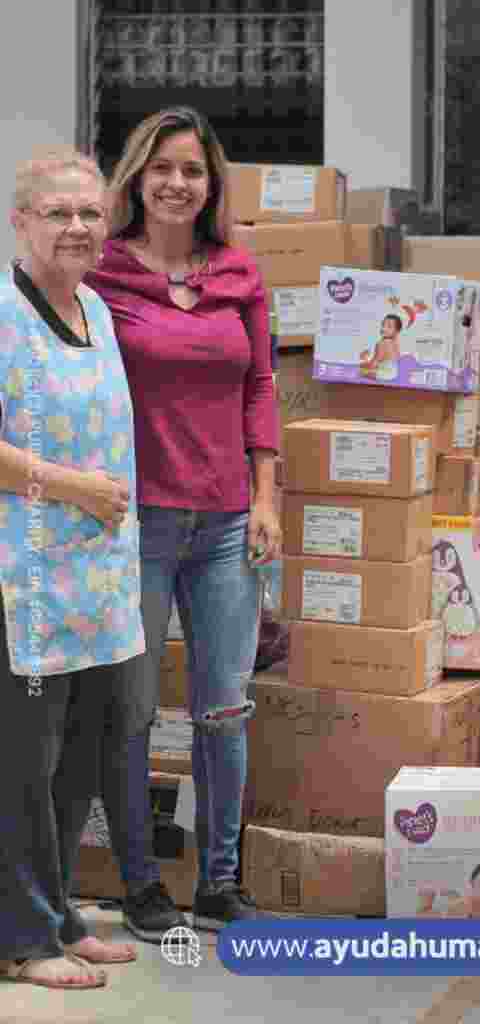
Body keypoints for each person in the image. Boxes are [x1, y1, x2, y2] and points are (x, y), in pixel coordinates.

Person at [85, 107, 282, 938]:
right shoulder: (101, 275)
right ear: (137, 177)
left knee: (222, 709)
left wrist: (267, 495)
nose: (175, 182)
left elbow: (260, 386)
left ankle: (219, 883)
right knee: (129, 709)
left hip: (228, 523)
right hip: (135, 522)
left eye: (191, 170)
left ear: (211, 184)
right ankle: (140, 887)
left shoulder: (239, 275)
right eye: (160, 167)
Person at [0, 147, 145, 988]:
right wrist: (74, 487)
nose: (78, 227)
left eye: (90, 213)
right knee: (22, 766)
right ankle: (22, 940)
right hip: (23, 584)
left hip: (95, 582)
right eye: (58, 213)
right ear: (20, 221)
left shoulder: (96, 307)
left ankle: (59, 914)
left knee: (80, 761)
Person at [359, 313, 402, 379]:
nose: (384, 328)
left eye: (389, 326)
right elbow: (396, 357)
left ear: (396, 331)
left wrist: (365, 359)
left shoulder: (381, 343)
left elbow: (375, 363)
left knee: (362, 371)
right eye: (383, 325)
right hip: (394, 373)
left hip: (383, 374)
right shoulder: (396, 343)